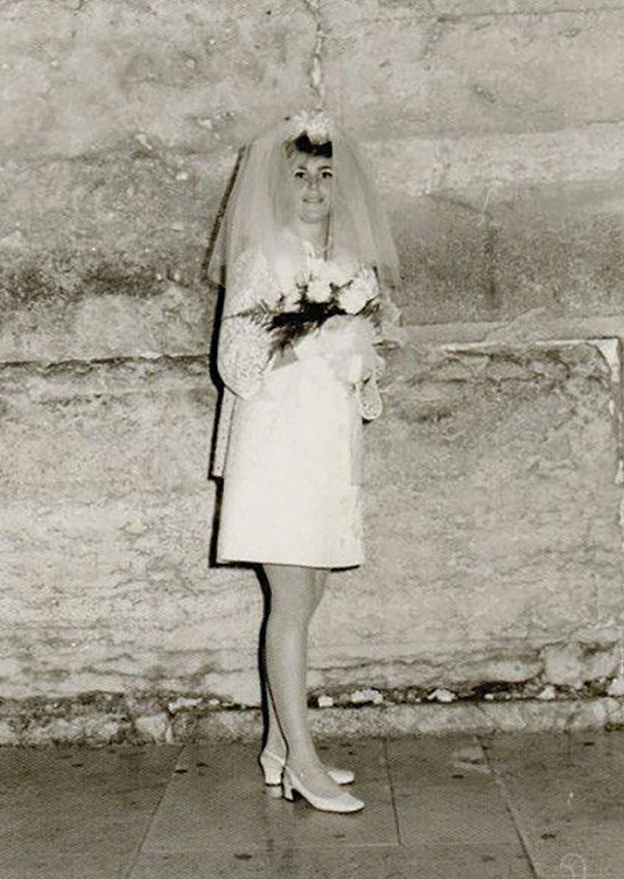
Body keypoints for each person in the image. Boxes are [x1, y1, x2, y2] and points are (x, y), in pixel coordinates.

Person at [207, 110, 405, 813]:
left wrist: (360, 353)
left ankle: (275, 744)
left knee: (308, 596)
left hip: (326, 448)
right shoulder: (264, 257)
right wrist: (306, 333)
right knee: (290, 603)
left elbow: (369, 368)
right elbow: (235, 361)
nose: (314, 187)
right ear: (279, 185)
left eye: (325, 174)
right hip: (276, 448)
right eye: (299, 175)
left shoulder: (353, 264)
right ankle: (304, 761)